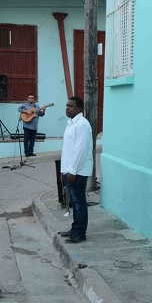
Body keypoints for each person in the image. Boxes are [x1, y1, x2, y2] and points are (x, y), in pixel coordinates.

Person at [58, 96, 93, 244]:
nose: (67, 108)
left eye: (70, 106)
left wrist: (72, 170)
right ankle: (74, 228)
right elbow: (67, 150)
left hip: (77, 171)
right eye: (66, 105)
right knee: (74, 201)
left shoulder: (82, 124)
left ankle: (80, 233)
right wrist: (63, 170)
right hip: (69, 170)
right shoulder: (71, 123)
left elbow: (81, 150)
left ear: (79, 108)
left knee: (79, 202)